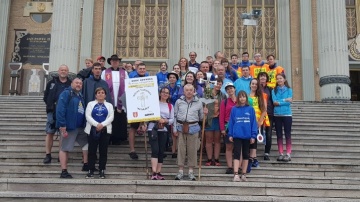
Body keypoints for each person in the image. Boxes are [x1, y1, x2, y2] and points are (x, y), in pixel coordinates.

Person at [173, 84, 207, 181]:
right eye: (186, 90)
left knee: (192, 150)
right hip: (180, 127)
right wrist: (174, 128)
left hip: (193, 127)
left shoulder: (199, 102)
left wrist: (205, 113)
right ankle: (180, 172)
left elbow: (200, 117)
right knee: (181, 150)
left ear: (194, 91)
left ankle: (191, 172)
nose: (188, 92)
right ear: (184, 91)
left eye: (190, 90)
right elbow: (175, 115)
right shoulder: (179, 102)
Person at [56, 78, 88, 178]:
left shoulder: (80, 95)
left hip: (80, 127)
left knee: (87, 144)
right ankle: (64, 171)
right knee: (65, 148)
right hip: (69, 126)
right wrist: (62, 125)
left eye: (80, 83)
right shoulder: (66, 94)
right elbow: (60, 109)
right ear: (72, 84)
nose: (78, 85)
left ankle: (86, 165)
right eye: (76, 83)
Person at [43, 65, 72, 164]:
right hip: (52, 111)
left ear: (68, 72)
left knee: (62, 134)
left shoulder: (70, 84)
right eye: (62, 70)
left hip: (65, 113)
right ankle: (48, 155)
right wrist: (50, 105)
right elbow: (46, 96)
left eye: (65, 70)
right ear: (58, 71)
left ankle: (61, 155)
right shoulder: (51, 83)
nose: (63, 71)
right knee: (49, 132)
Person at [84, 87, 114, 179]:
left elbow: (111, 117)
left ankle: (102, 170)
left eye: (102, 93)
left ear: (105, 95)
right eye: (98, 93)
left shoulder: (109, 105)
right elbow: (88, 116)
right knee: (92, 151)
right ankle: (90, 170)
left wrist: (102, 125)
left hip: (105, 130)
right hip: (92, 130)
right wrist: (96, 124)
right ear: (95, 95)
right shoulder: (90, 104)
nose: (100, 94)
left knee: (103, 151)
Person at [227, 90, 257, 182]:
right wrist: (230, 134)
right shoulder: (234, 109)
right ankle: (236, 174)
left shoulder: (251, 109)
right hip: (237, 135)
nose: (242, 98)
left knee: (246, 155)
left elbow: (253, 123)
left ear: (246, 98)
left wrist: (253, 136)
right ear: (238, 98)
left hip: (247, 136)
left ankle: (244, 174)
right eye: (240, 97)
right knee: (236, 154)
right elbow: (231, 122)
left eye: (244, 96)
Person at [101, 54, 129, 145]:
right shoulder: (105, 72)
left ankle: (118, 138)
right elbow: (102, 85)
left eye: (116, 61)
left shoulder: (124, 72)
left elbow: (128, 85)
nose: (115, 62)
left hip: (120, 99)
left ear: (119, 62)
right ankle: (108, 138)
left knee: (119, 120)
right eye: (113, 61)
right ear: (110, 62)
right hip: (109, 99)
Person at [148, 87, 175, 180]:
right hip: (153, 128)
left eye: (167, 93)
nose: (165, 94)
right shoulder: (154, 104)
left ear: (169, 95)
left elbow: (172, 119)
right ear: (160, 94)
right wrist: (157, 119)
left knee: (161, 151)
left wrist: (165, 120)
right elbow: (149, 115)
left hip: (164, 129)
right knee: (155, 150)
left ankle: (159, 172)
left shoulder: (170, 106)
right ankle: (154, 172)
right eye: (163, 92)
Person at [128, 63, 149, 159]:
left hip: (146, 106)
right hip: (135, 107)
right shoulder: (132, 79)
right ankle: (132, 150)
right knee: (133, 128)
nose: (142, 70)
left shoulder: (149, 79)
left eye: (144, 69)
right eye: (140, 68)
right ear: (137, 69)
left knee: (147, 127)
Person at [204, 78, 226, 166]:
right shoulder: (207, 93)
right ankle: (209, 159)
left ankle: (216, 159)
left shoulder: (223, 95)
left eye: (220, 84)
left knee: (217, 140)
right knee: (209, 139)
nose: (218, 85)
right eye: (217, 83)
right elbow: (202, 103)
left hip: (218, 119)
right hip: (209, 118)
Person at [248, 78, 269, 170]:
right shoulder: (247, 96)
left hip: (257, 122)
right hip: (247, 121)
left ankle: (253, 159)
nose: (254, 85)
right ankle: (252, 158)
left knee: (254, 140)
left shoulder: (261, 96)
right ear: (250, 85)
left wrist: (260, 122)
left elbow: (264, 110)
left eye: (256, 84)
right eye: (252, 84)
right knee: (249, 140)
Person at [272, 73, 293, 162]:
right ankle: (280, 153)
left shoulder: (289, 90)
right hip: (277, 115)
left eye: (281, 78)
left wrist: (280, 102)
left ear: (284, 79)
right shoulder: (274, 90)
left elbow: (289, 102)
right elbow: (274, 102)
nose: (279, 80)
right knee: (279, 135)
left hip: (287, 114)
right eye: (277, 79)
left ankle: (288, 153)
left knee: (287, 134)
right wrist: (285, 100)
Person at [219, 82, 237, 174]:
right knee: (229, 147)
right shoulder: (224, 102)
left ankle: (238, 166)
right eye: (228, 89)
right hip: (228, 126)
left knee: (238, 148)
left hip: (239, 127)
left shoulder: (240, 100)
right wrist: (222, 129)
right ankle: (230, 166)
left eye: (231, 88)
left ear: (235, 89)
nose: (230, 90)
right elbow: (221, 116)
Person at [258, 72, 274, 160]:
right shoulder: (256, 88)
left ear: (266, 78)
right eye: (261, 77)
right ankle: (253, 152)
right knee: (256, 132)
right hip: (258, 114)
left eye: (264, 76)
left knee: (268, 134)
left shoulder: (271, 89)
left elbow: (273, 101)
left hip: (269, 114)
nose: (262, 78)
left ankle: (267, 152)